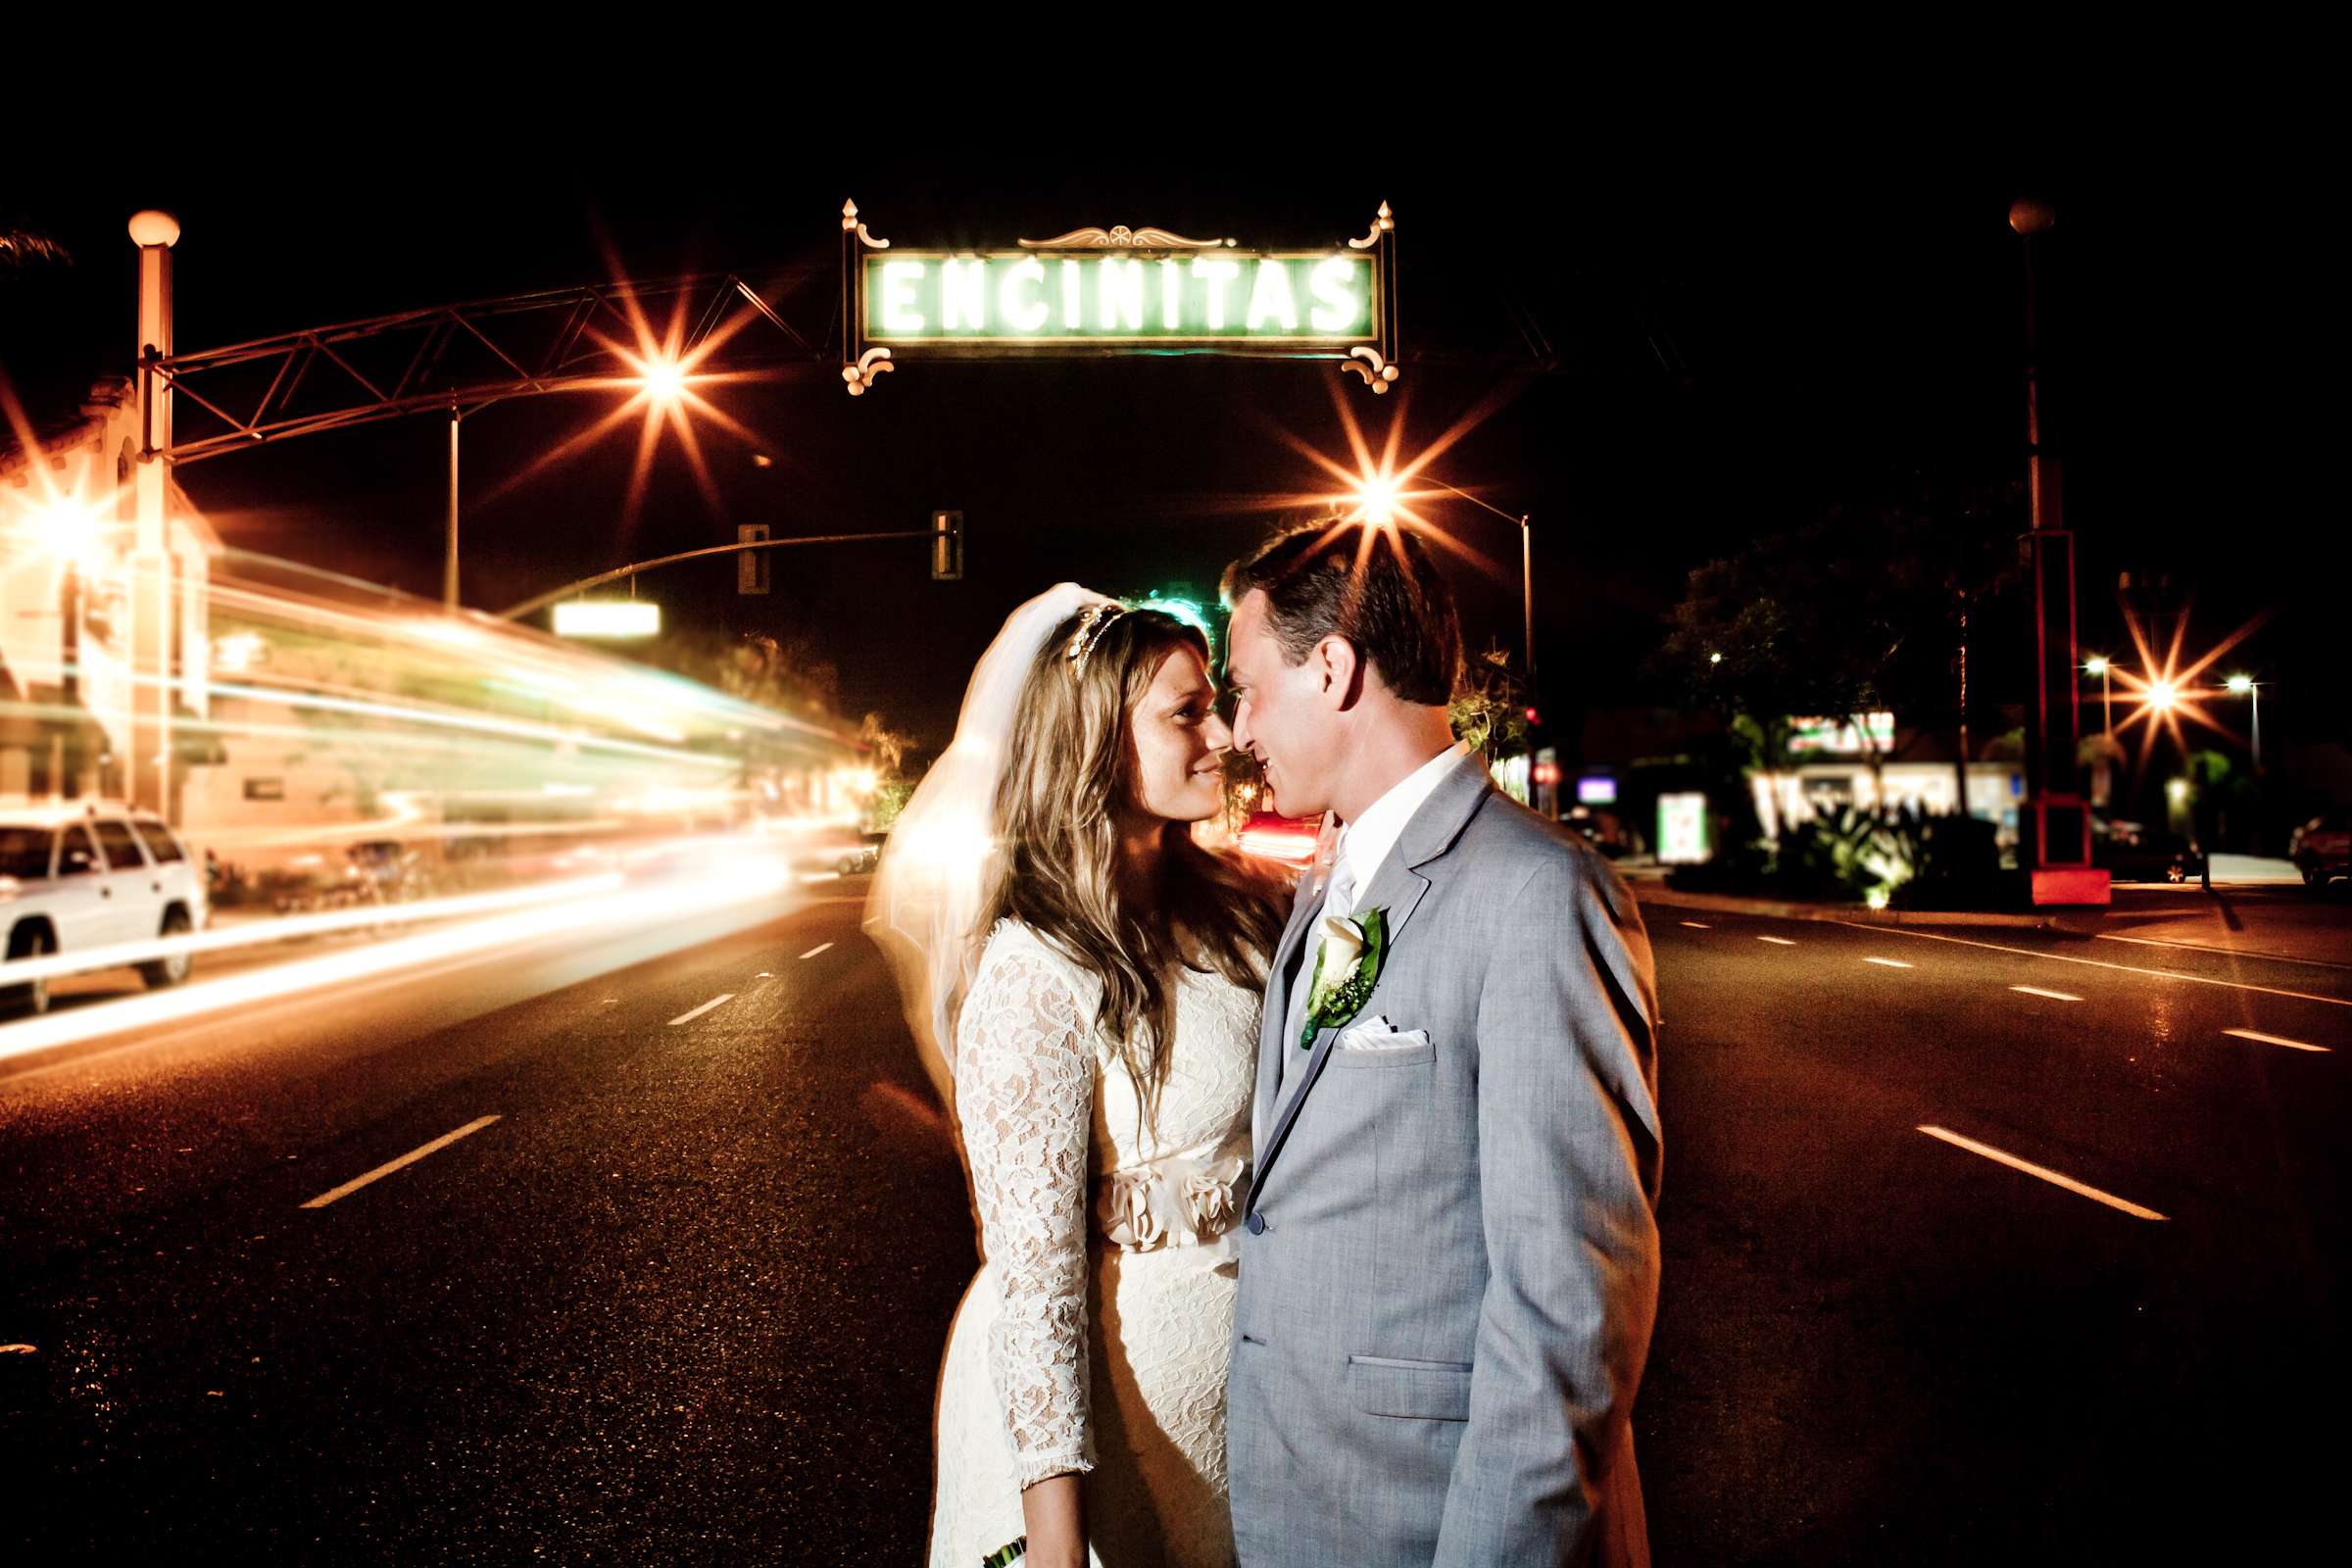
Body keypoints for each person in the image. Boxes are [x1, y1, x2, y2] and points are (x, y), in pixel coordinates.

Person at [1219, 522, 1664, 1567]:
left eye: (1247, 688)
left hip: (1433, 1523)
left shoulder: (1537, 892)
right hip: (1309, 1501)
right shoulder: (1330, 878)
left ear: (1331, 668)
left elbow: (1568, 1312)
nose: (1239, 729)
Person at [866, 584, 1285, 1568]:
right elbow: (1037, 1284)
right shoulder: (1033, 970)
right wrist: (1058, 1544)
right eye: (1185, 712)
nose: (1221, 732)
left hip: (1251, 1401)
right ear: (1099, 738)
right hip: (1132, 1425)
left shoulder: (1235, 916)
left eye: (1215, 703)